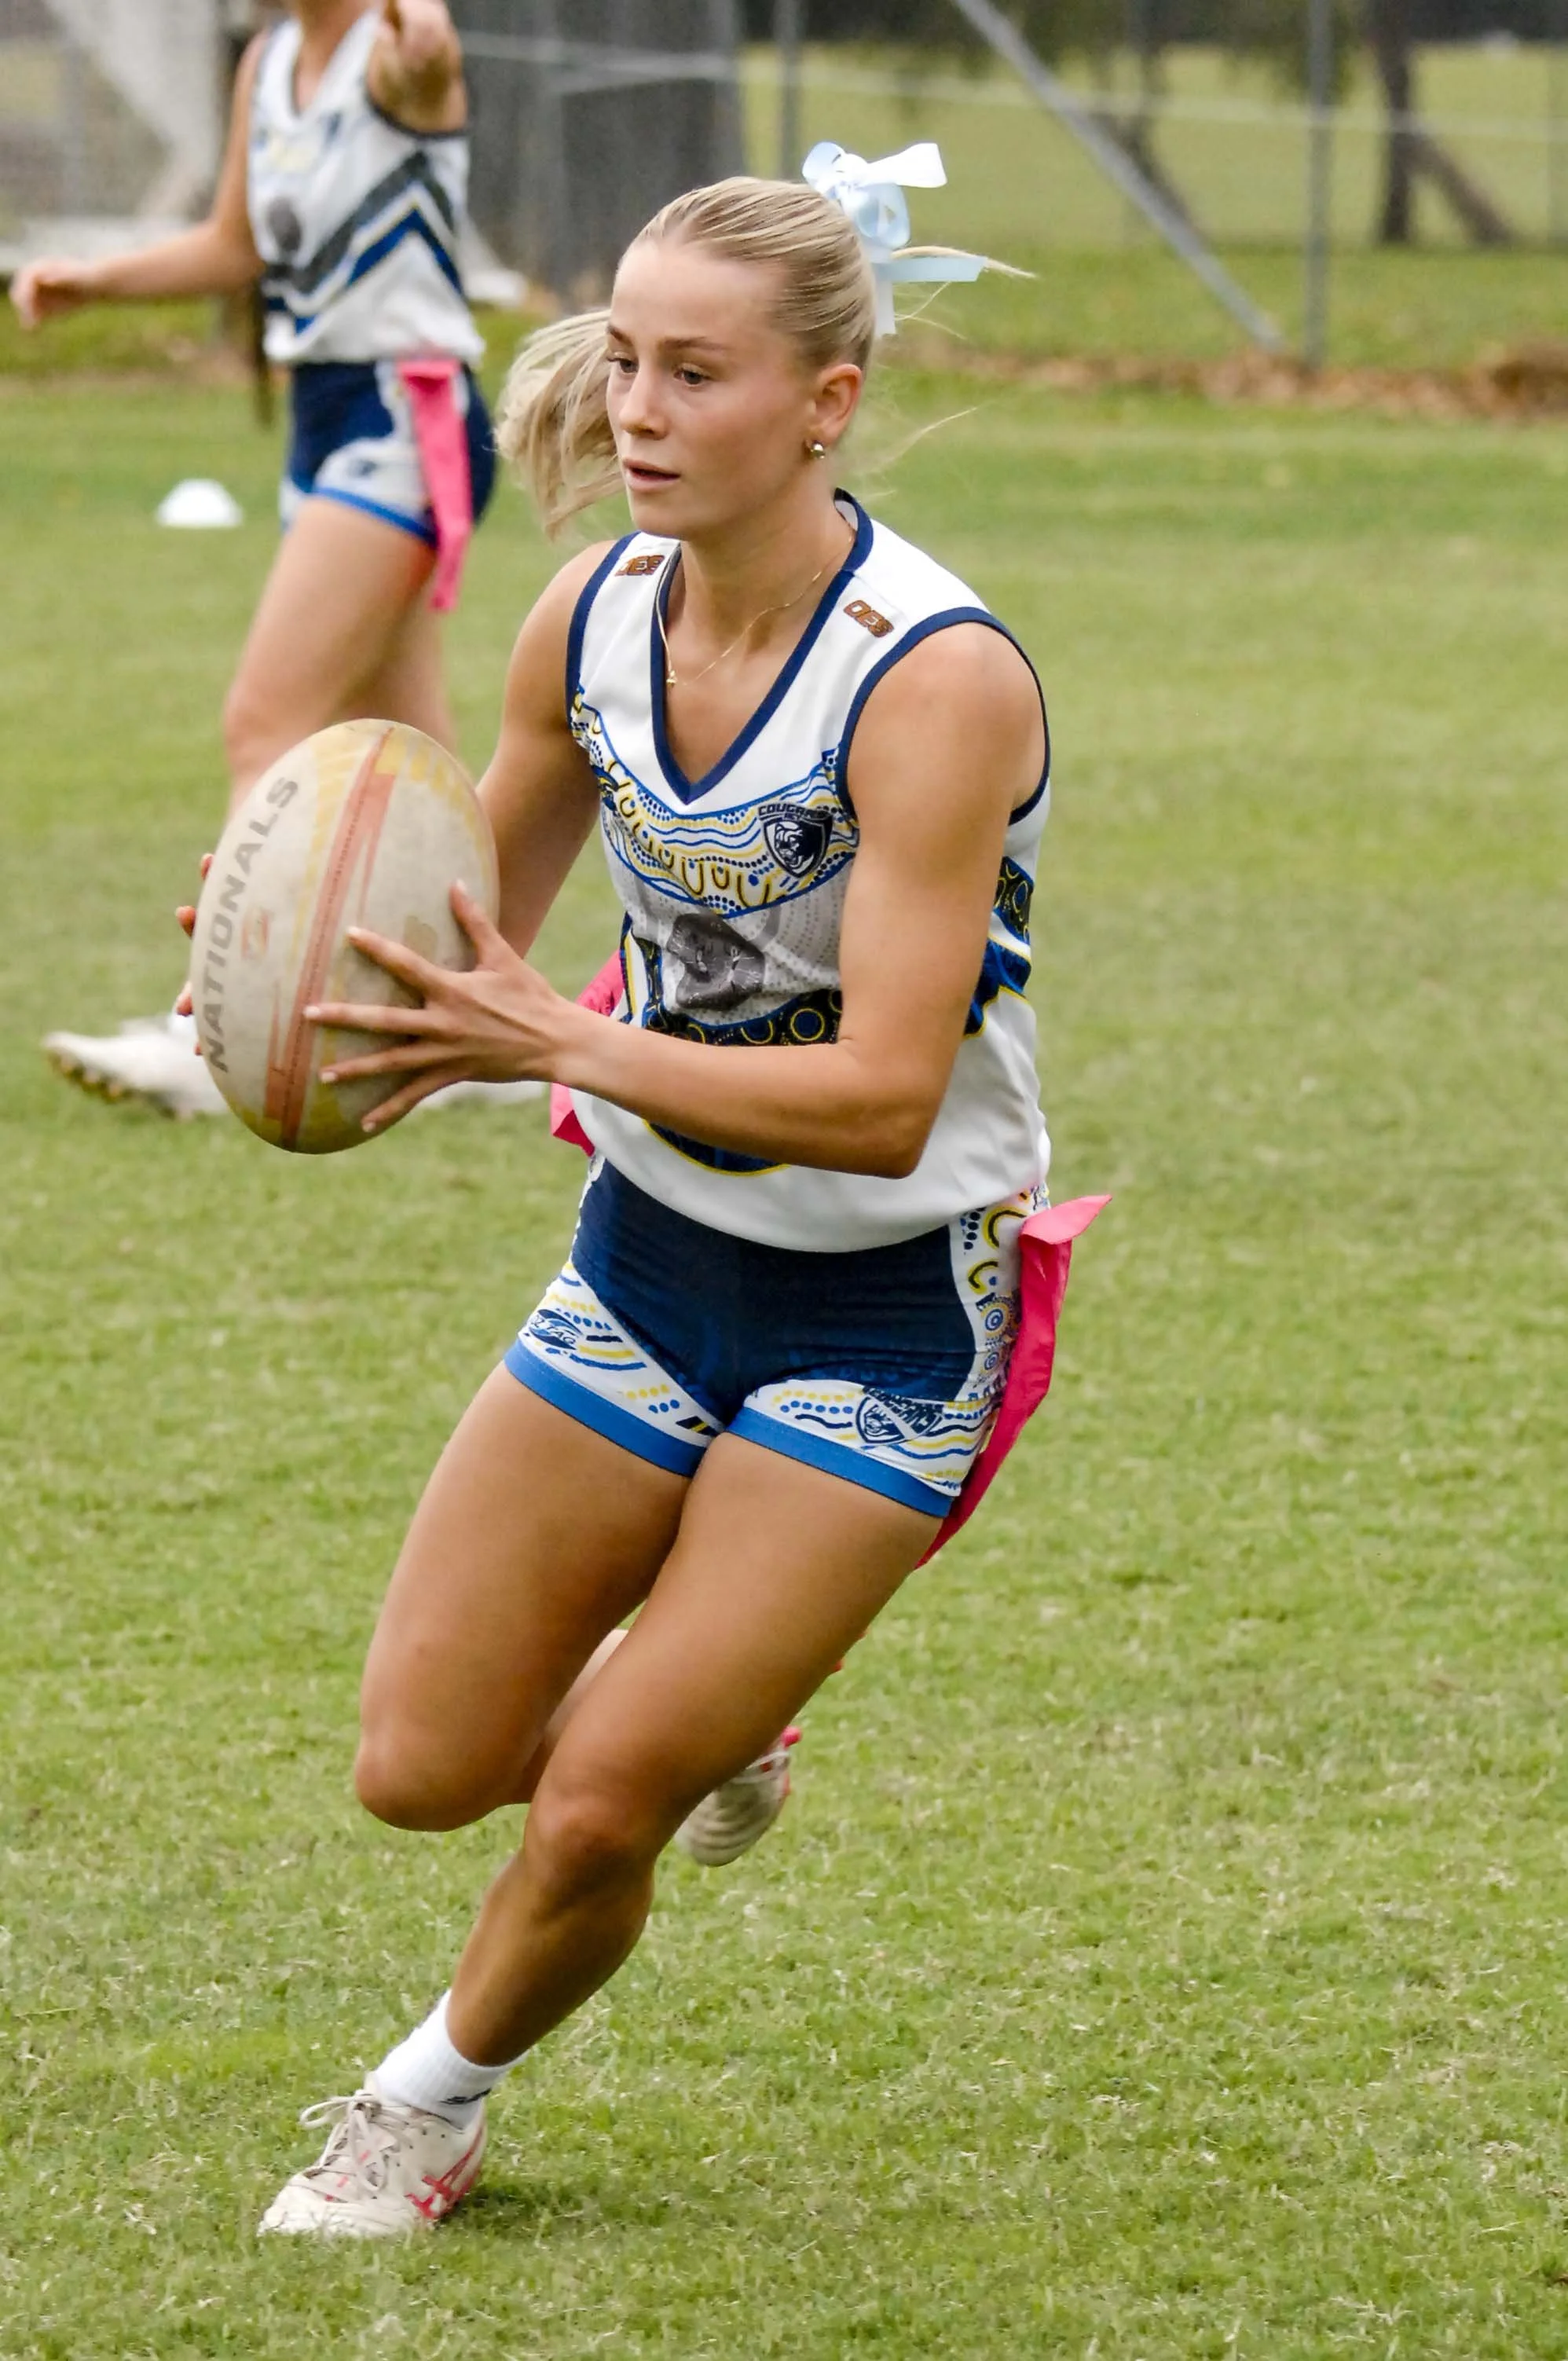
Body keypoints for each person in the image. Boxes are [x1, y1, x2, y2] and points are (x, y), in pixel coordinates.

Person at [225, 153, 1057, 2236]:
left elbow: (880, 1100)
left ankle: (420, 2105)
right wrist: (283, 969)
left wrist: (562, 1045)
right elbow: (461, 945)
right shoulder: (588, 618)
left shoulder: (931, 676)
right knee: (421, 1763)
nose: (637, 411)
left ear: (826, 401)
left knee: (599, 1799)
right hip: (649, 1263)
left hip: (885, 1309)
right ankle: (722, 1699)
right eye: (624, 361)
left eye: (697, 372)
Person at [13, 0, 526, 1118]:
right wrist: (94, 281)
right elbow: (235, 245)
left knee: (265, 721)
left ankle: (212, 1032)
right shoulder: (271, 58)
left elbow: (428, 56)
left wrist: (424, 38)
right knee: (416, 746)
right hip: (323, 418)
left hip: (404, 414)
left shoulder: (397, 56)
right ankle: (481, 1023)